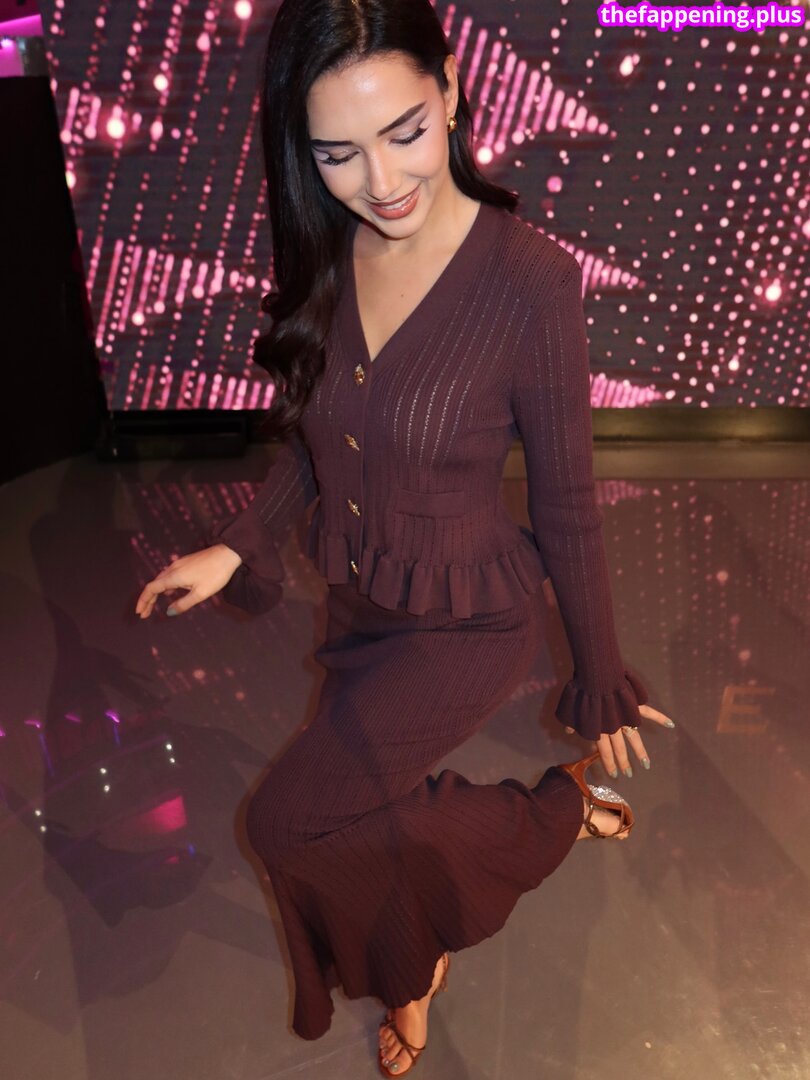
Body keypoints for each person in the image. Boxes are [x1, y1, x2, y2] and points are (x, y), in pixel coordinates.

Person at [135, 1, 676, 1073]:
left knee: (290, 823)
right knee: (366, 813)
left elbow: (567, 505)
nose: (379, 181)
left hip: (469, 622)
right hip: (362, 604)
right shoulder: (334, 249)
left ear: (453, 93)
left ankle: (539, 825)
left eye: (404, 132)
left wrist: (599, 672)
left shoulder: (529, 282)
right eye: (337, 152)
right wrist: (241, 544)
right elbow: (321, 436)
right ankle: (422, 948)